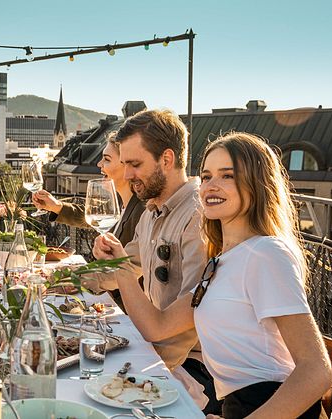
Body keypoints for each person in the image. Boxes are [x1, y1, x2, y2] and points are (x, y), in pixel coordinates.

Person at [96, 132, 332, 418]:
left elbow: (317, 372)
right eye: (206, 176)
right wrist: (121, 265)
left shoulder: (265, 253)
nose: (211, 186)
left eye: (227, 176)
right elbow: (156, 327)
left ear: (257, 184)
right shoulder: (221, 261)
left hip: (276, 406)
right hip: (238, 407)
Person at [93, 109, 219, 413]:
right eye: (124, 165)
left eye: (135, 164)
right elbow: (122, 266)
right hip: (153, 351)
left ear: (167, 159)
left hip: (195, 365)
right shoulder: (151, 212)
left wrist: (146, 363)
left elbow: (187, 323)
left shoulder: (199, 216)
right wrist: (61, 282)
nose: (126, 176)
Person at [32, 132, 144, 247]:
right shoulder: (120, 203)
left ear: (127, 164)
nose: (99, 164)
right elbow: (92, 215)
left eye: (107, 159)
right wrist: (56, 206)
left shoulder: (142, 213)